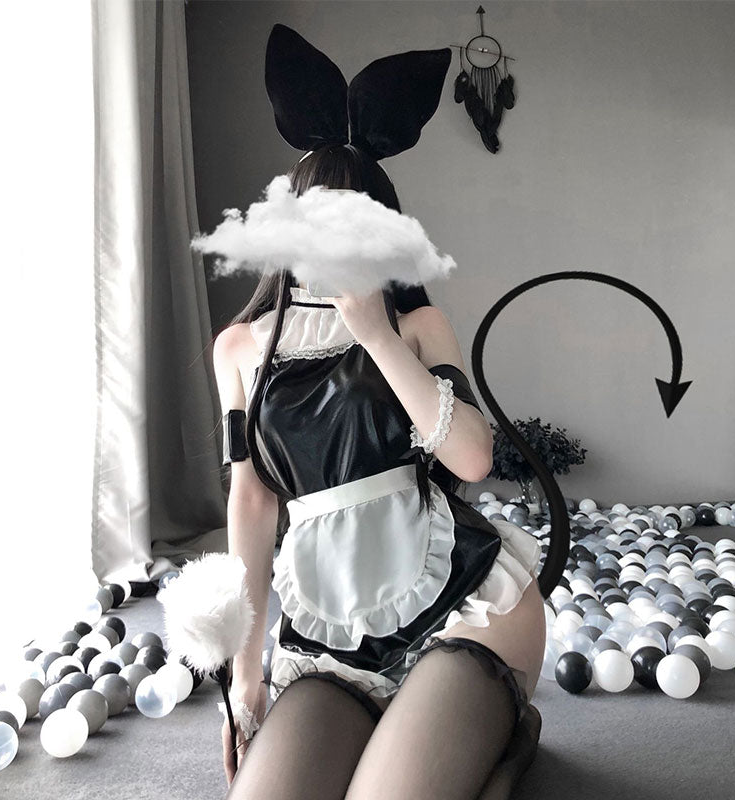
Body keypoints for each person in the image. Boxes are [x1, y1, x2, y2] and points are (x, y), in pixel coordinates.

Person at [213, 139, 547, 800]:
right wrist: (245, 674)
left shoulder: (417, 324)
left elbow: (473, 458)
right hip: (330, 632)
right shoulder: (239, 347)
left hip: (466, 609)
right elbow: (251, 502)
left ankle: (504, 742)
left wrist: (375, 333)